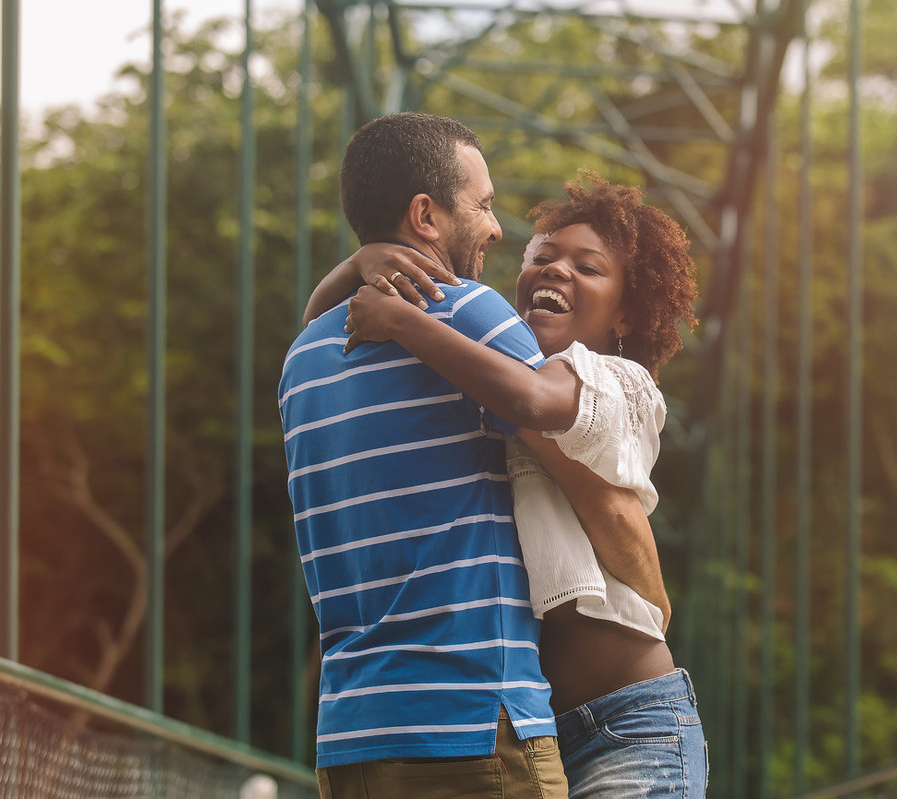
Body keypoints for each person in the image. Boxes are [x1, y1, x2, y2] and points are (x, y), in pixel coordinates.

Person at [280, 113, 662, 799]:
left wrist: (355, 267)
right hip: (472, 724)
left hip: (350, 741)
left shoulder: (302, 358)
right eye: (483, 205)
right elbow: (533, 403)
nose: (495, 228)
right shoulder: (468, 314)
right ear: (426, 215)